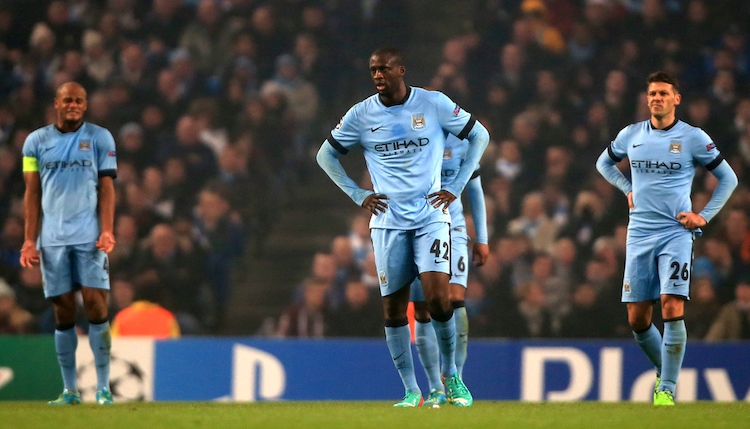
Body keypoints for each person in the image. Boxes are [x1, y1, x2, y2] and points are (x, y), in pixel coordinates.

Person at [316, 47, 489, 407]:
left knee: (439, 297)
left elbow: (480, 136)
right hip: (388, 223)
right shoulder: (361, 114)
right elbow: (325, 154)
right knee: (395, 310)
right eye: (373, 70)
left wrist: (456, 186)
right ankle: (412, 391)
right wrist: (358, 194)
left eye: (384, 69)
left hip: (430, 217)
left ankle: (452, 377)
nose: (378, 75)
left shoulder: (433, 104)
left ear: (401, 70)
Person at [596, 71, 738, 406]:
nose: (657, 98)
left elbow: (728, 178)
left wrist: (704, 215)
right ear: (647, 100)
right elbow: (604, 163)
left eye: (663, 93)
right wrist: (626, 188)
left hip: (676, 233)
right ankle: (665, 369)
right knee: (637, 318)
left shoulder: (693, 137)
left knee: (671, 304)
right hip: (639, 233)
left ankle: (667, 389)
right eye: (652, 94)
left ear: (676, 99)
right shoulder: (631, 134)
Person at [20, 82, 118, 405]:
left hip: (90, 237)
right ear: (57, 103)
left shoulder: (100, 138)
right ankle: (70, 390)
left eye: (78, 100)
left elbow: (107, 188)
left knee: (95, 305)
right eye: (67, 100)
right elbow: (32, 193)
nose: (73, 105)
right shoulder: (34, 143)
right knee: (63, 312)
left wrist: (107, 230)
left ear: (85, 105)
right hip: (52, 240)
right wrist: (29, 240)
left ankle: (103, 388)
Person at [409, 133, 489, 406]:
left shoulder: (464, 142)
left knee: (455, 299)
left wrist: (482, 238)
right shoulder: (412, 138)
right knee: (423, 308)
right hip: (418, 229)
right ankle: (435, 387)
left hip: (453, 229)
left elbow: (475, 190)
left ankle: (456, 380)